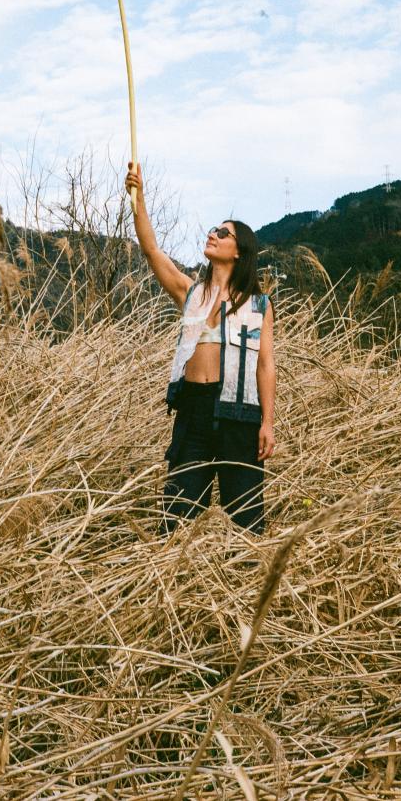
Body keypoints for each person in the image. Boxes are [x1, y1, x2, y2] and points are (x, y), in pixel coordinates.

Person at [125, 162, 275, 535]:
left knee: (245, 519)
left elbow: (266, 366)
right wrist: (138, 198)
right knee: (177, 515)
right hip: (192, 410)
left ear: (239, 251)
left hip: (239, 417)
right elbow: (151, 251)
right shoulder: (191, 292)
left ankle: (246, 582)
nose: (213, 233)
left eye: (222, 233)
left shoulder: (258, 305)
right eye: (213, 229)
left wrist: (268, 423)